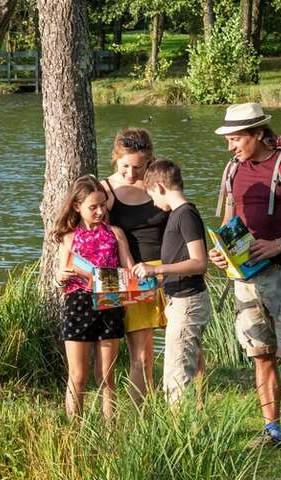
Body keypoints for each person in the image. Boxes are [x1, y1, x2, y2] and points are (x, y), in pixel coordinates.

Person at [210, 103, 281, 458]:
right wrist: (222, 254)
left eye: (236, 138)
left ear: (258, 133)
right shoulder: (233, 169)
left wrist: (276, 244)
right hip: (246, 278)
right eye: (229, 139)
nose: (231, 146)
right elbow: (231, 225)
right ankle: (271, 430)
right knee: (261, 355)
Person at [53, 175, 134, 420]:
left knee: (106, 376)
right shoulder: (69, 238)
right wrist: (61, 276)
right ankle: (74, 430)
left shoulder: (116, 233)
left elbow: (129, 270)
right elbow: (58, 275)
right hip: (78, 304)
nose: (100, 211)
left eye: (103, 205)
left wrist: (132, 281)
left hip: (109, 302)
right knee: (77, 376)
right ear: (77, 207)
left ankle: (111, 431)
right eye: (93, 207)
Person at [132, 160, 210, 406]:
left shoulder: (185, 214)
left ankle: (182, 439)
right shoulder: (176, 215)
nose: (153, 201)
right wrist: (160, 279)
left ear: (161, 186)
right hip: (178, 299)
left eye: (152, 193)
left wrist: (157, 268)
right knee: (176, 373)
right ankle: (192, 429)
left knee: (177, 379)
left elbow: (199, 262)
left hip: (187, 302)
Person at [101, 128, 169, 404]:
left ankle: (195, 412)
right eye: (125, 165)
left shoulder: (159, 183)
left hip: (166, 270)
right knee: (141, 354)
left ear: (149, 161)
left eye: (138, 167)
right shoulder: (105, 189)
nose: (131, 173)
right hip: (124, 274)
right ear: (116, 158)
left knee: (189, 345)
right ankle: (143, 419)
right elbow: (94, 235)